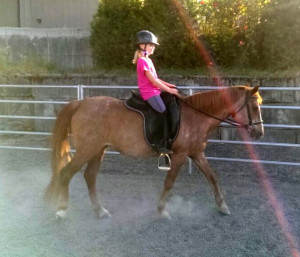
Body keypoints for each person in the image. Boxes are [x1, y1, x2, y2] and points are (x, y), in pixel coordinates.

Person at [132, 30, 178, 154]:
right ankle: (158, 143)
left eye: (153, 45)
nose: (153, 48)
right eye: (151, 45)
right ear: (142, 46)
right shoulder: (142, 61)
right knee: (162, 111)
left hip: (155, 91)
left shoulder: (149, 60)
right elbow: (153, 81)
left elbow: (156, 78)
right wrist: (169, 90)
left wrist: (170, 85)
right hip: (149, 93)